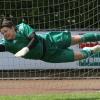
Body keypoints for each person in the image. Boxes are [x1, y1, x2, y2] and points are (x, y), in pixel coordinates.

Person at [0, 18, 100, 63]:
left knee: (79, 38)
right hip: (49, 56)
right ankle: (91, 50)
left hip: (49, 40)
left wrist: (26, 49)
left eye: (5, 31)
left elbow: (34, 39)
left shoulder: (22, 27)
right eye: (2, 33)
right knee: (81, 56)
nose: (4, 34)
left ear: (12, 27)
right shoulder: (6, 44)